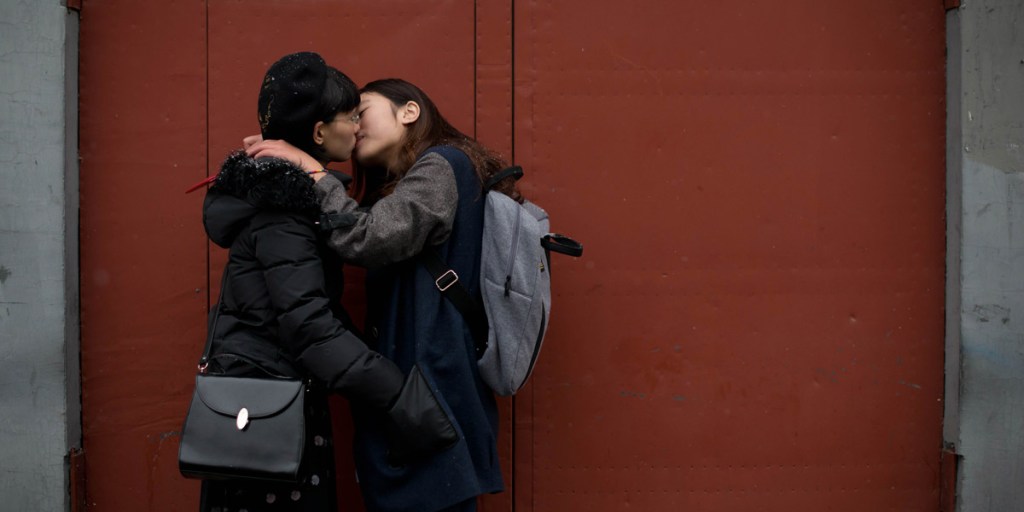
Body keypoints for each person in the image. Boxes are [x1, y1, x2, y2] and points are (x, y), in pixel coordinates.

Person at [195, 54, 454, 512]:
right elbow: (310, 326)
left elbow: (313, 311)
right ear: (319, 133)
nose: (358, 128)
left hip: (273, 402)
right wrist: (401, 400)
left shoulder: (293, 201)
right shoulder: (283, 210)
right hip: (265, 411)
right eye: (351, 117)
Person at [246, 79, 517, 512]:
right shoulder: (407, 182)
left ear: (409, 111)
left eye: (362, 111)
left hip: (435, 394)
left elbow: (372, 238)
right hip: (419, 396)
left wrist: (311, 171)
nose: (354, 127)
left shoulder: (443, 164)